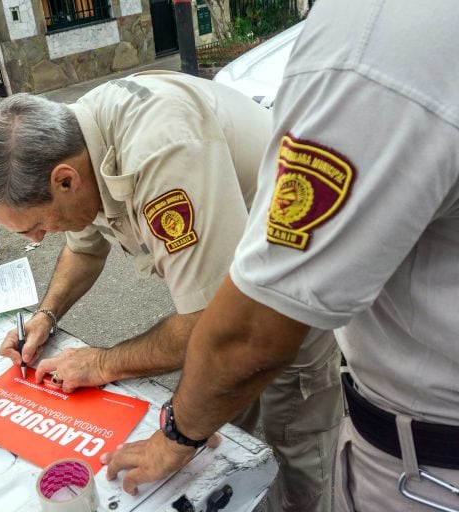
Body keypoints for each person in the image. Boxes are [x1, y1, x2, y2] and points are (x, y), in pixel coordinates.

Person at [104, 2, 459, 511]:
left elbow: (246, 335)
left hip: (429, 464)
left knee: (301, 444)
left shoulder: (374, 37)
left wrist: (175, 437)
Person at [0, 73, 341, 512]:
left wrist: (104, 363)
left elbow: (217, 322)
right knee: (226, 440)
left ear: (65, 181)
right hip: (234, 292)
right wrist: (46, 316)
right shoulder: (77, 142)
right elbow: (84, 250)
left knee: (294, 448)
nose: (40, 239)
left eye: (36, 227)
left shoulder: (161, 150)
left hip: (290, 296)